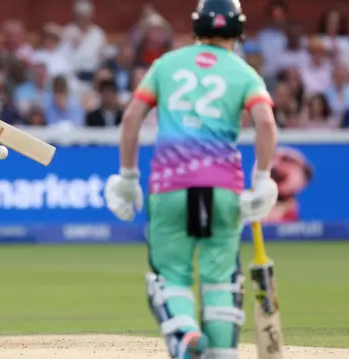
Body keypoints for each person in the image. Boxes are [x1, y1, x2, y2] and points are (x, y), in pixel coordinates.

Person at [103, 0, 279, 358]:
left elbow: (133, 117)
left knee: (171, 275)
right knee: (220, 277)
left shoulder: (166, 65)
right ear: (238, 31)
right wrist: (262, 178)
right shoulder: (244, 72)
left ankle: (184, 334)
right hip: (223, 186)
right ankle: (221, 350)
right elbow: (265, 122)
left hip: (170, 185)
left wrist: (127, 175)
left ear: (196, 27)